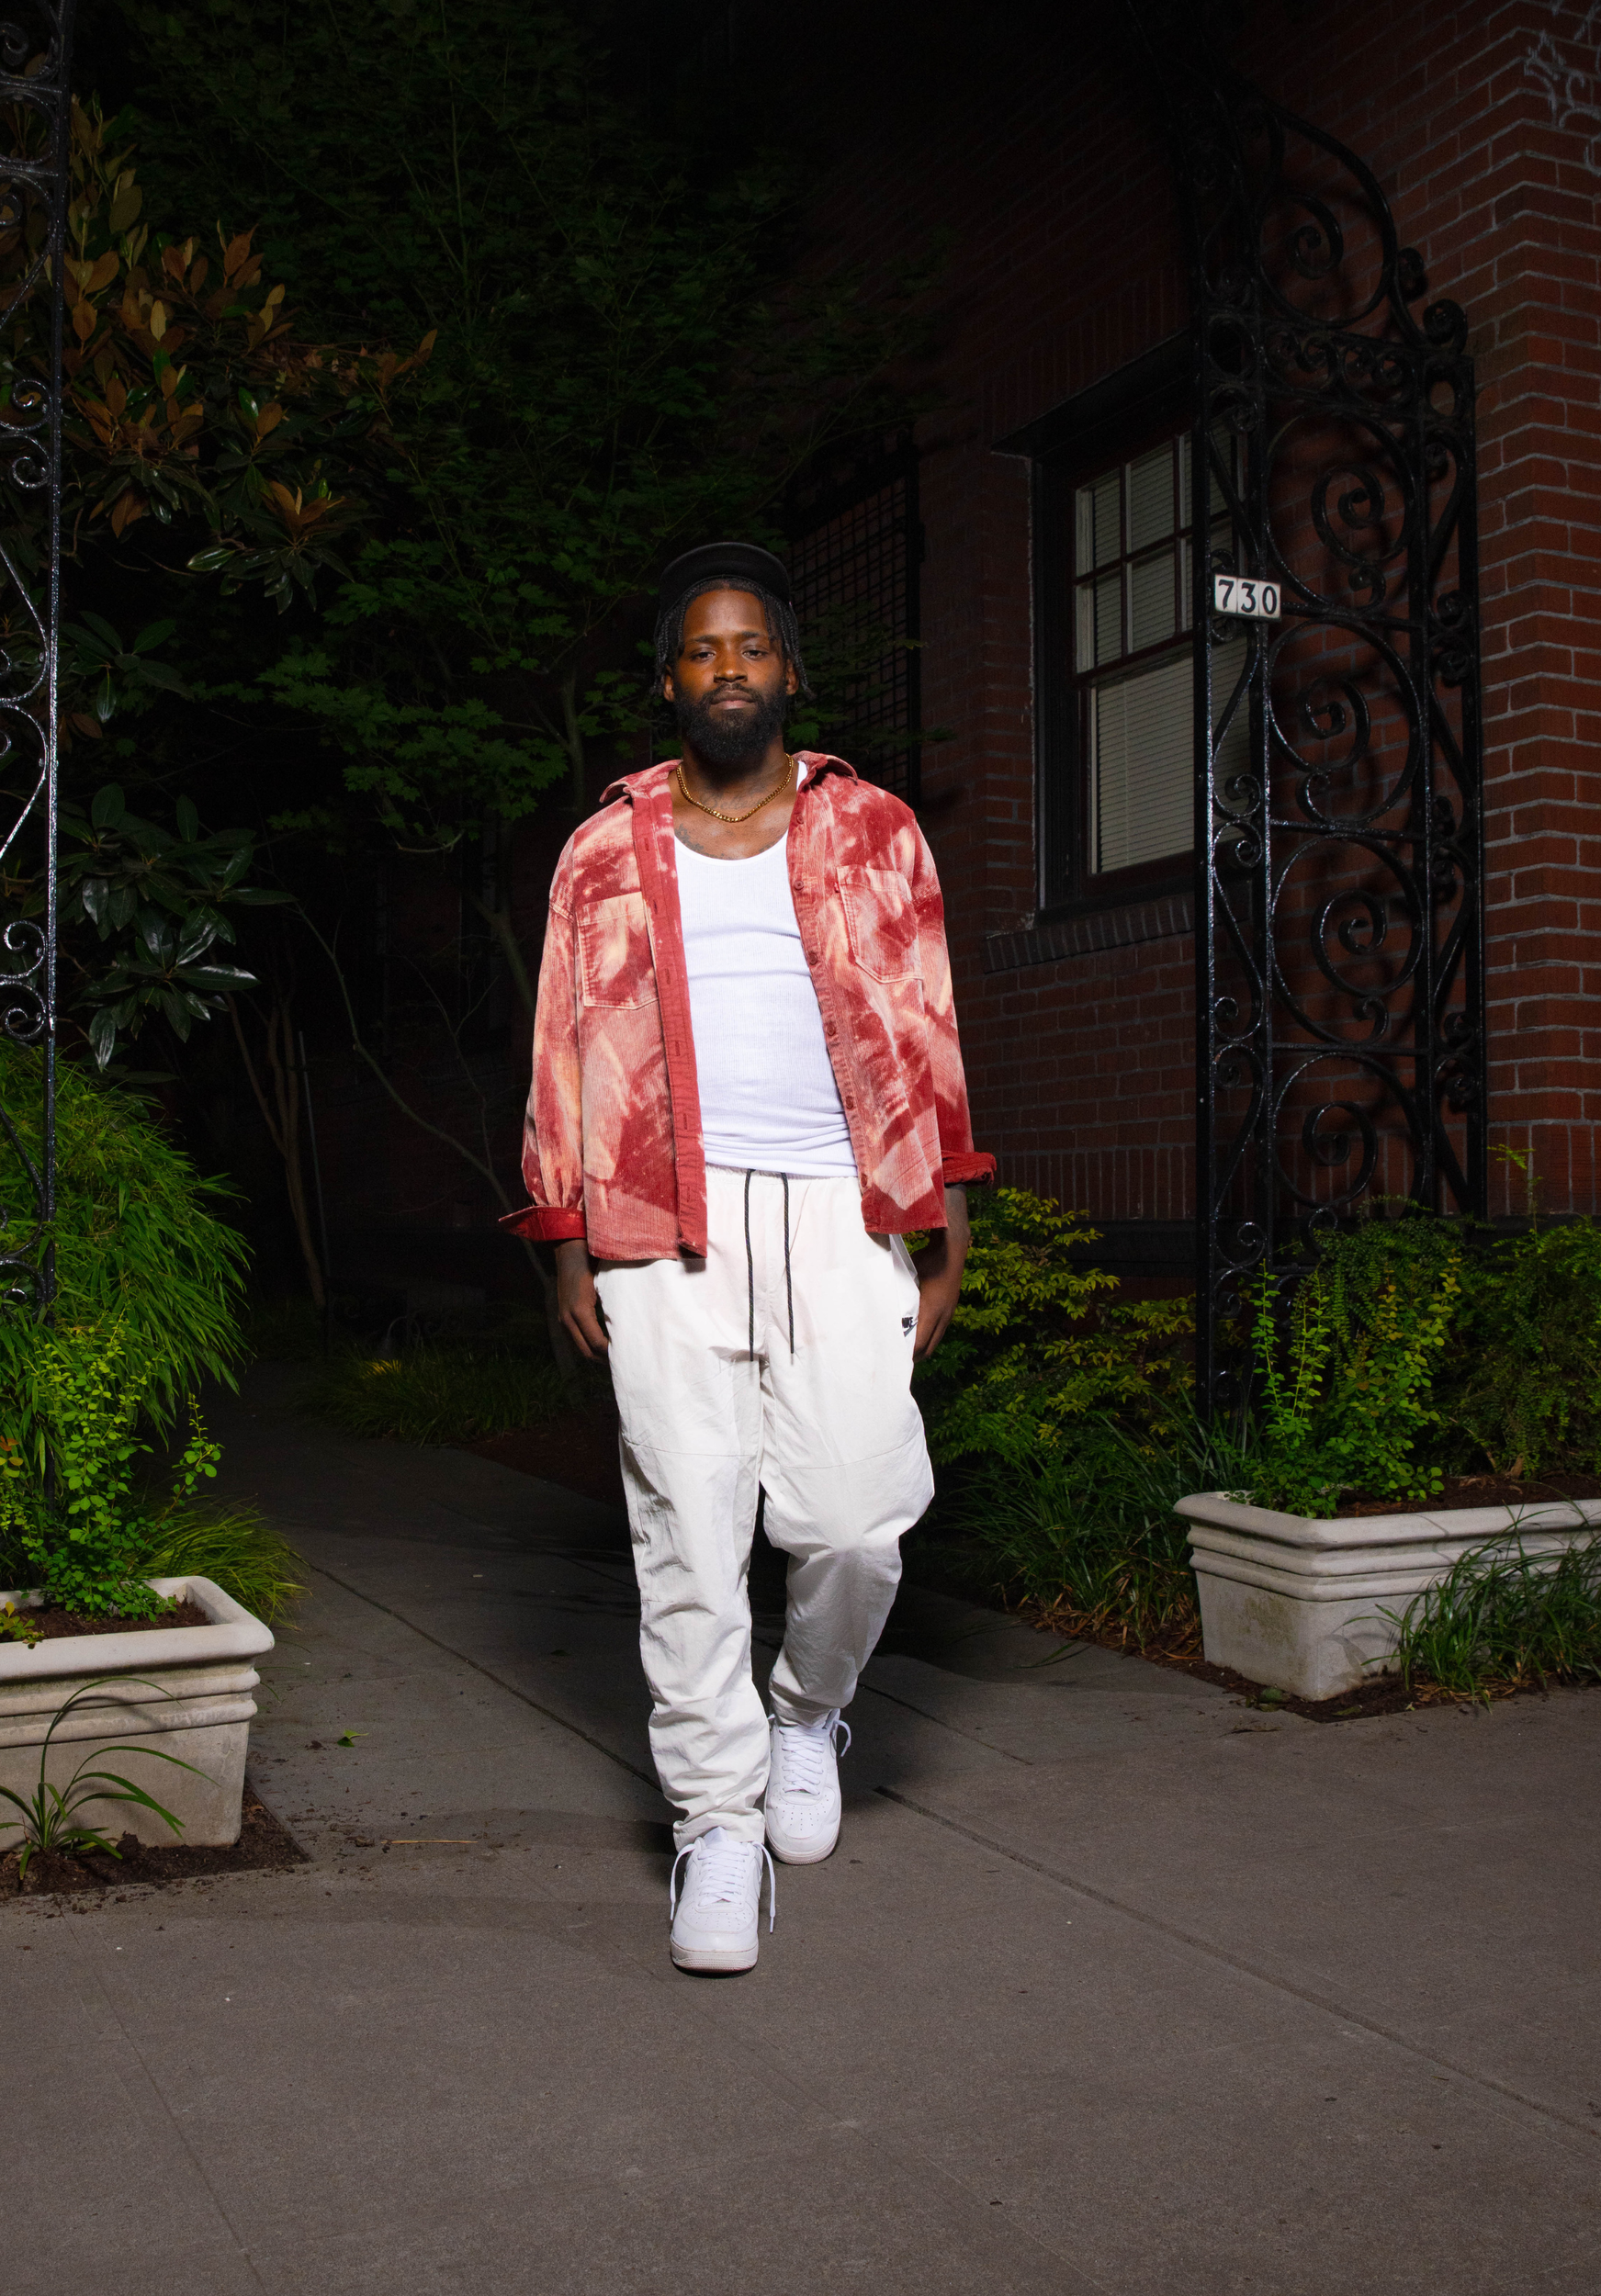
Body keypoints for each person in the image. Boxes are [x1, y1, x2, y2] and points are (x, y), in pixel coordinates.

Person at [502, 541, 992, 1974]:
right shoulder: (601, 850)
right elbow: (561, 1048)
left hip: (843, 1204)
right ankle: (715, 1823)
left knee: (852, 1518)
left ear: (789, 672)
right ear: (670, 682)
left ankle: (806, 1712)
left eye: (752, 646)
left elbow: (926, 1023)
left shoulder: (877, 829)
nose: (730, 668)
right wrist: (566, 1240)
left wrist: (945, 1218)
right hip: (659, 1216)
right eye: (703, 649)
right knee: (689, 1531)